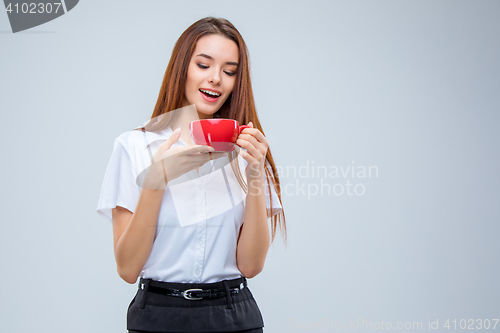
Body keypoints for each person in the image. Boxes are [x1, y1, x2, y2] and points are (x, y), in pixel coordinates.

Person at [97, 17, 286, 333]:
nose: (216, 79)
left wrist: (255, 174)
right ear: (181, 68)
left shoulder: (250, 151)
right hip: (157, 315)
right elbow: (128, 268)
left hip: (234, 315)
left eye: (229, 71)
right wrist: (156, 180)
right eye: (203, 65)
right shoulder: (134, 146)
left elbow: (251, 266)